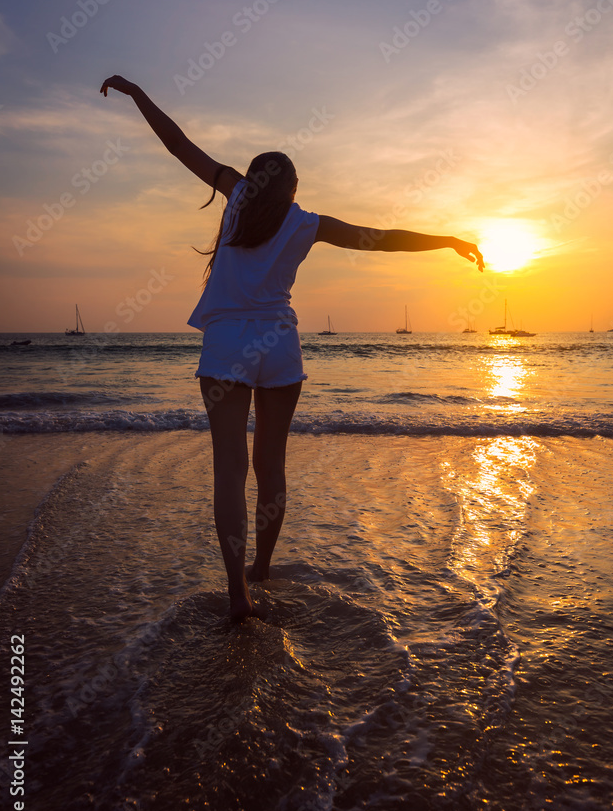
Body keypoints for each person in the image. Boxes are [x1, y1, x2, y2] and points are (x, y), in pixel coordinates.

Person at [99, 76, 484, 621]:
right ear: (292, 189)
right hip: (280, 344)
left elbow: (178, 144)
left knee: (229, 471)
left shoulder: (233, 193)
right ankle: (261, 567)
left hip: (226, 342)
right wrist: (446, 240)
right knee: (270, 467)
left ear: (253, 179)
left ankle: (239, 594)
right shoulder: (308, 224)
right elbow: (382, 237)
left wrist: (139, 95)